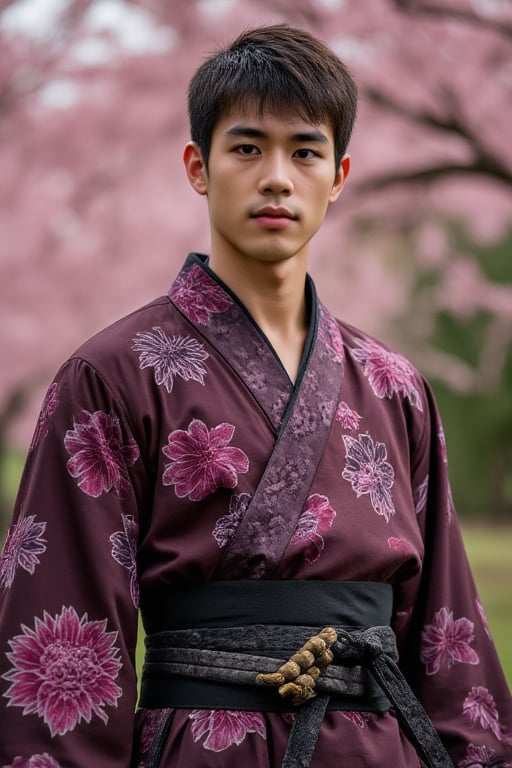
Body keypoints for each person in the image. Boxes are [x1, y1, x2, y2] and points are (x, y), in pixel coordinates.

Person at [0, 23, 510, 768]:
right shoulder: (111, 376)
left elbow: (447, 630)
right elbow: (63, 638)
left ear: (338, 175)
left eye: (304, 151)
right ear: (198, 167)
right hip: (204, 749)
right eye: (247, 148)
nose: (277, 176)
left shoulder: (395, 385)